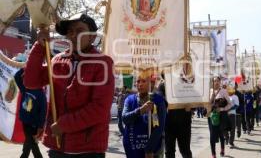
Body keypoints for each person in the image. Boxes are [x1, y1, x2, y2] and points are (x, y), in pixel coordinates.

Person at [23, 14, 114, 158]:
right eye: (70, 31)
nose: (73, 35)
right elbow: (31, 82)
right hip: (57, 147)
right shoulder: (58, 60)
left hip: (88, 150)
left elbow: (99, 108)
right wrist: (39, 46)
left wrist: (64, 125)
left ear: (92, 37)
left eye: (79, 31)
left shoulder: (102, 63)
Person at [122, 70, 166, 158]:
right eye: (138, 81)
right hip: (132, 149)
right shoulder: (130, 100)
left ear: (152, 83)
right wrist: (140, 110)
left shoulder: (159, 101)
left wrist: (149, 149)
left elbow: (159, 128)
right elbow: (125, 118)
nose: (140, 84)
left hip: (152, 151)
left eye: (143, 81)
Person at [14, 68, 47, 158]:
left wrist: (40, 126)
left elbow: (43, 111)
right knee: (29, 141)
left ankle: (24, 156)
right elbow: (17, 76)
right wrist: (26, 67)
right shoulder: (25, 88)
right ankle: (24, 155)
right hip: (25, 120)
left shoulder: (41, 93)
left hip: (34, 123)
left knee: (32, 142)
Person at [208, 77, 231, 158]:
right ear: (213, 82)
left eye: (217, 81)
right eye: (214, 81)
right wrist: (212, 97)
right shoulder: (210, 91)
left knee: (221, 134)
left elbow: (230, 104)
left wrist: (222, 109)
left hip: (221, 116)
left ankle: (222, 149)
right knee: (211, 136)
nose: (216, 82)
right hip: (211, 116)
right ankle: (213, 154)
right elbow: (207, 104)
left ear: (220, 82)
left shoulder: (224, 91)